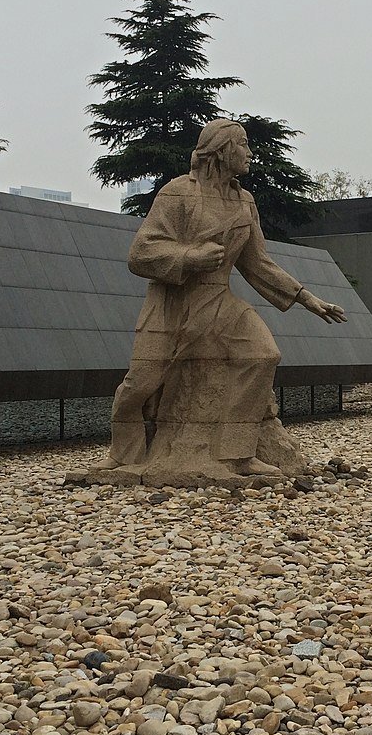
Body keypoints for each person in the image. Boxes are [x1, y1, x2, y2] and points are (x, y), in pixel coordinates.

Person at [97, 119, 347, 476]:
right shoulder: (178, 193)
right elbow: (140, 253)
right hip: (172, 306)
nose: (249, 153)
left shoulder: (245, 201)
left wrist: (307, 298)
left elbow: (258, 263)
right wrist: (189, 257)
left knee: (263, 354)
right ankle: (124, 454)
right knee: (142, 383)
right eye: (243, 145)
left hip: (219, 302)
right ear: (221, 149)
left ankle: (236, 453)